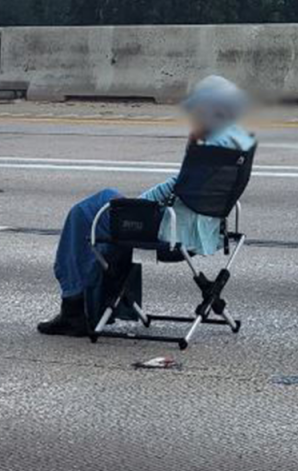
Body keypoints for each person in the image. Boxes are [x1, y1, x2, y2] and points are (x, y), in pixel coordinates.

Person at [38, 75, 256, 337]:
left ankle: (74, 307)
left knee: (87, 213)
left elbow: (178, 189)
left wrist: (141, 202)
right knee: (108, 209)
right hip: (209, 229)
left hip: (172, 228)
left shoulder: (205, 144)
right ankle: (99, 305)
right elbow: (191, 191)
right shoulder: (240, 143)